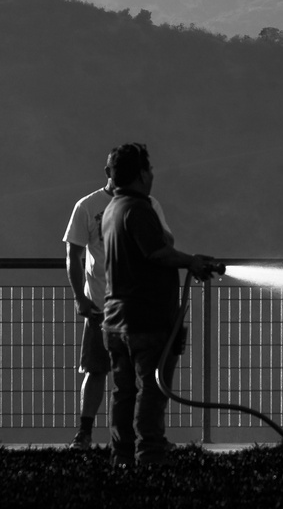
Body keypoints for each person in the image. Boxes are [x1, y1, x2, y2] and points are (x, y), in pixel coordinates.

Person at [100, 141, 223, 465]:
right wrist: (192, 261)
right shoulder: (139, 209)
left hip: (116, 320)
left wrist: (187, 262)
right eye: (150, 169)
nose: (153, 174)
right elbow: (157, 252)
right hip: (146, 319)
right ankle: (150, 453)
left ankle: (122, 455)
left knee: (124, 392)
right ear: (141, 174)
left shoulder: (113, 208)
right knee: (152, 389)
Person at [63, 166, 174, 448]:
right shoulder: (87, 206)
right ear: (108, 172)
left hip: (137, 305)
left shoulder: (148, 205)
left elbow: (165, 241)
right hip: (101, 306)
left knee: (142, 375)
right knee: (97, 370)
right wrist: (80, 297)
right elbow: (73, 255)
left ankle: (144, 437)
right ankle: (86, 433)